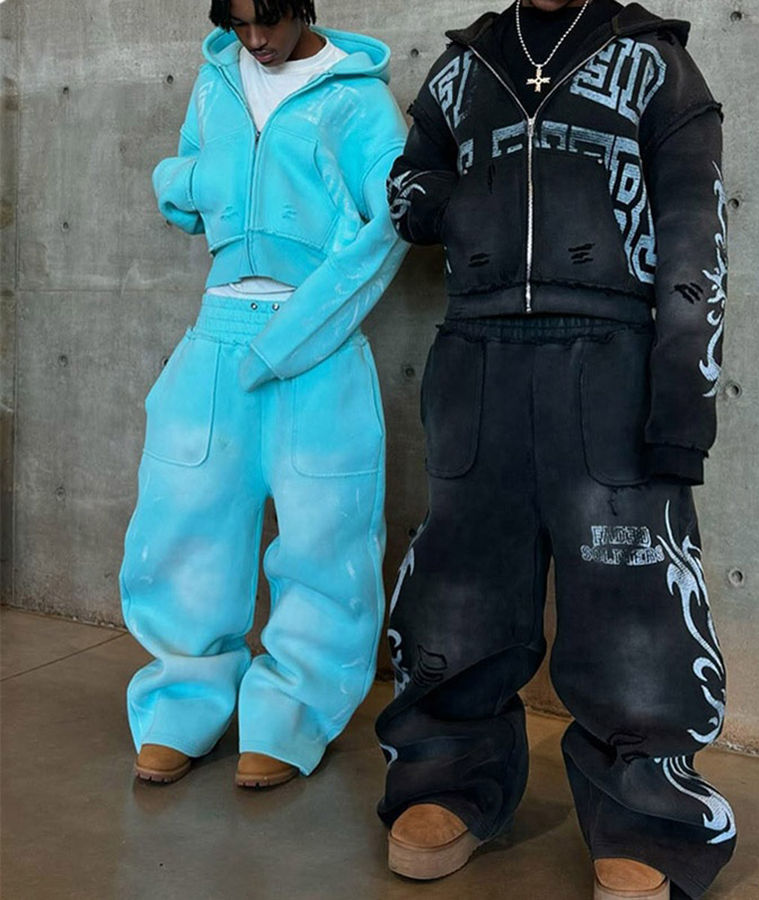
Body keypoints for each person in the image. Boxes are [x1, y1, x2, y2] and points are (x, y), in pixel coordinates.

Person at [376, 1, 734, 897]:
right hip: (476, 358)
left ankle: (649, 815)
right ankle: (446, 777)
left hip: (611, 364)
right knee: (459, 587)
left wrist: (681, 402)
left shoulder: (654, 65)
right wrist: (459, 204)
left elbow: (696, 237)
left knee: (632, 602)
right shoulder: (464, 68)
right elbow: (407, 185)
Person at [120, 0, 407, 789]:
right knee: (183, 521)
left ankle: (290, 713)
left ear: (302, 5)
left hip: (317, 342)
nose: (256, 40)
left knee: (325, 539)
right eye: (239, 22)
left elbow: (389, 225)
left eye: (269, 21)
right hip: (216, 332)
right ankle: (181, 702)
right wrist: (183, 179)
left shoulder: (358, 98)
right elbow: (190, 187)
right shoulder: (215, 80)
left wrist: (292, 338)